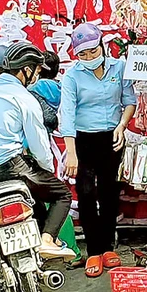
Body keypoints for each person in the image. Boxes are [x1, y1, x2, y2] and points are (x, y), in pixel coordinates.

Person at [0, 42, 75, 259]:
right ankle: (47, 240)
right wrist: (48, 170)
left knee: (34, 197)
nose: (37, 76)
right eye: (36, 70)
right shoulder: (25, 98)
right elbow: (39, 145)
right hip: (12, 168)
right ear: (26, 69)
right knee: (61, 194)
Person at [60, 23, 137, 278]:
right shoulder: (72, 77)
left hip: (112, 137)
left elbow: (129, 101)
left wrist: (122, 126)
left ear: (102, 46)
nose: (89, 58)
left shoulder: (120, 67)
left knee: (109, 192)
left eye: (93, 51)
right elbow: (67, 114)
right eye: (83, 54)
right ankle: (93, 250)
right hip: (83, 139)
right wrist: (71, 151)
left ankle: (107, 247)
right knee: (85, 193)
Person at [27, 51, 84, 267]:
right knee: (60, 198)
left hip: (46, 150)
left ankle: (68, 248)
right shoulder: (65, 89)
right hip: (67, 147)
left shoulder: (31, 92)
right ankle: (64, 247)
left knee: (54, 199)